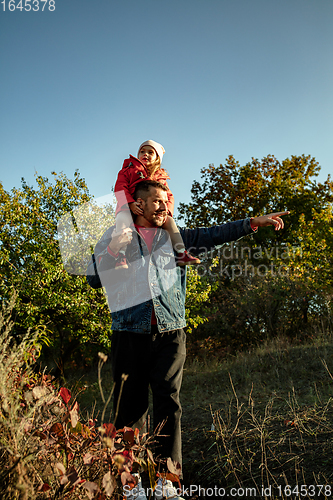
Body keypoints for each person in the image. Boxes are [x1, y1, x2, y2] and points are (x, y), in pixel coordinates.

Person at [86, 179, 289, 499]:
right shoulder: (116, 236)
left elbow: (214, 233)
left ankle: (167, 483)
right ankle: (130, 484)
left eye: (166, 200)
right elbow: (93, 279)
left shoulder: (173, 239)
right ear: (137, 204)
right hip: (128, 335)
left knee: (169, 404)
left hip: (171, 333)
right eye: (155, 201)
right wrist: (115, 246)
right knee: (129, 410)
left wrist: (252, 223)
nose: (163, 206)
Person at [113, 140, 200, 268]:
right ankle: (120, 256)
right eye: (142, 151)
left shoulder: (160, 177)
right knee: (122, 222)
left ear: (157, 158)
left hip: (152, 212)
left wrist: (166, 212)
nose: (145, 154)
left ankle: (182, 253)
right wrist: (129, 204)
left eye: (150, 152)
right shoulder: (129, 170)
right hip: (129, 208)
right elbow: (120, 189)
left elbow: (169, 196)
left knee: (170, 222)